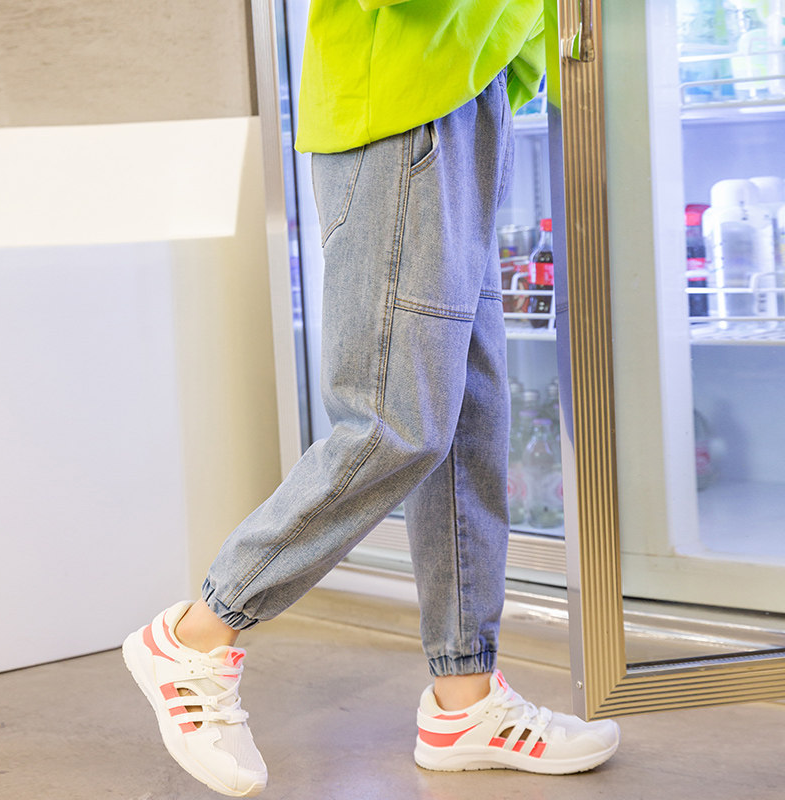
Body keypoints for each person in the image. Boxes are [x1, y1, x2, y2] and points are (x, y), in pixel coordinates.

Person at [122, 0, 620, 796]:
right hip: (402, 100)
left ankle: (464, 700)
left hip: (470, 91)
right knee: (392, 422)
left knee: (467, 422)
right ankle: (196, 633)